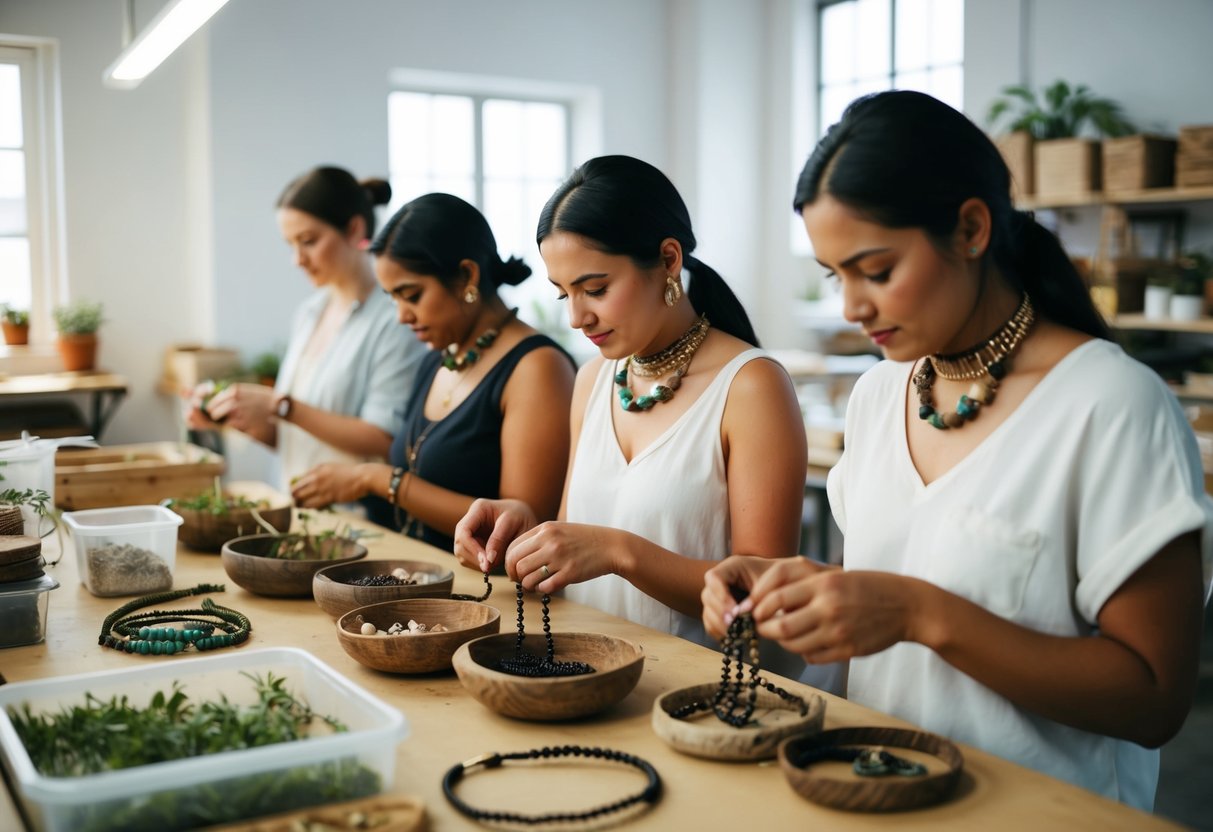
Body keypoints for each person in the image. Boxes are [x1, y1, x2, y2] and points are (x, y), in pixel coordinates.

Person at [701, 90, 1213, 810]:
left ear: (970, 228)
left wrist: (919, 614)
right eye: (833, 275)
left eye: (875, 271)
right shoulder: (883, 395)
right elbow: (908, 571)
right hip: (877, 795)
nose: (851, 306)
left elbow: (1153, 700)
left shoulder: (1111, 404)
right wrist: (792, 587)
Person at [453, 155, 835, 688]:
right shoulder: (592, 381)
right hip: (583, 679)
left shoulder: (751, 387)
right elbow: (576, 531)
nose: (576, 317)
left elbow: (761, 592)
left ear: (668, 259)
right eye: (564, 294)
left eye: (596, 288)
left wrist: (618, 551)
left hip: (694, 696)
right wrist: (526, 526)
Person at [289, 193, 575, 553]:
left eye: (411, 295)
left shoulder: (536, 368)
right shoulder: (438, 359)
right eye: (393, 298)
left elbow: (519, 529)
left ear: (466, 277)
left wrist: (379, 480)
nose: (401, 316)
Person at [187, 166, 424, 524]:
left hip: (358, 523)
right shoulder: (310, 313)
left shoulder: (396, 319)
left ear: (355, 229)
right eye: (291, 244)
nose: (297, 259)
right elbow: (298, 434)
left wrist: (282, 407)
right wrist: (235, 415)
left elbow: (383, 438)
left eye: (309, 241)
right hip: (293, 513)